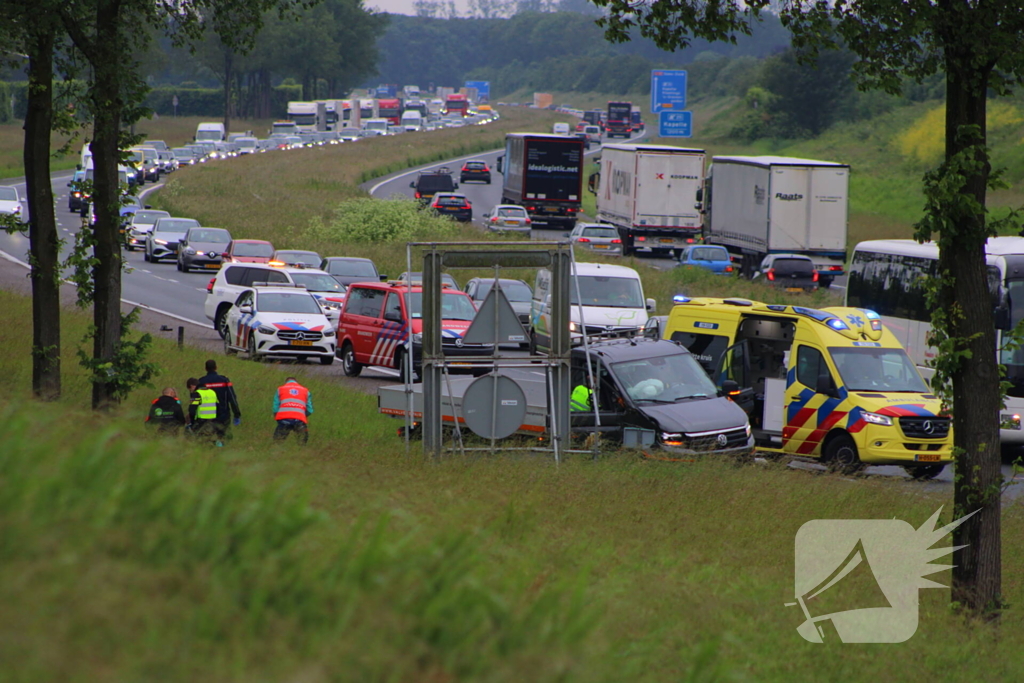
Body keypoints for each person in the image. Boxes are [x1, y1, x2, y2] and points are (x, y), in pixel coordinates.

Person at [197, 359, 241, 441]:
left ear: (205, 369)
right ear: (216, 367)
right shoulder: (224, 381)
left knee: (207, 438)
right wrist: (236, 414)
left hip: (207, 416)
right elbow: (232, 397)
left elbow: (196, 400)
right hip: (223, 414)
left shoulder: (201, 382)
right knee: (224, 438)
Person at [273, 377, 313, 444]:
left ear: (286, 382)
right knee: (302, 441)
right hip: (299, 419)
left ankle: (277, 452)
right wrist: (303, 415)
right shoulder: (305, 391)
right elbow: (310, 410)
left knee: (277, 441)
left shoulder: (280, 389)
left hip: (284, 419)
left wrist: (277, 418)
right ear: (296, 381)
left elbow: (275, 408)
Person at [187, 377, 221, 445]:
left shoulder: (196, 394)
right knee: (211, 439)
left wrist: (192, 422)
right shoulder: (212, 392)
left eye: (190, 389)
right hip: (212, 420)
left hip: (201, 421)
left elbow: (192, 410)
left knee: (201, 441)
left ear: (191, 386)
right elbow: (218, 407)